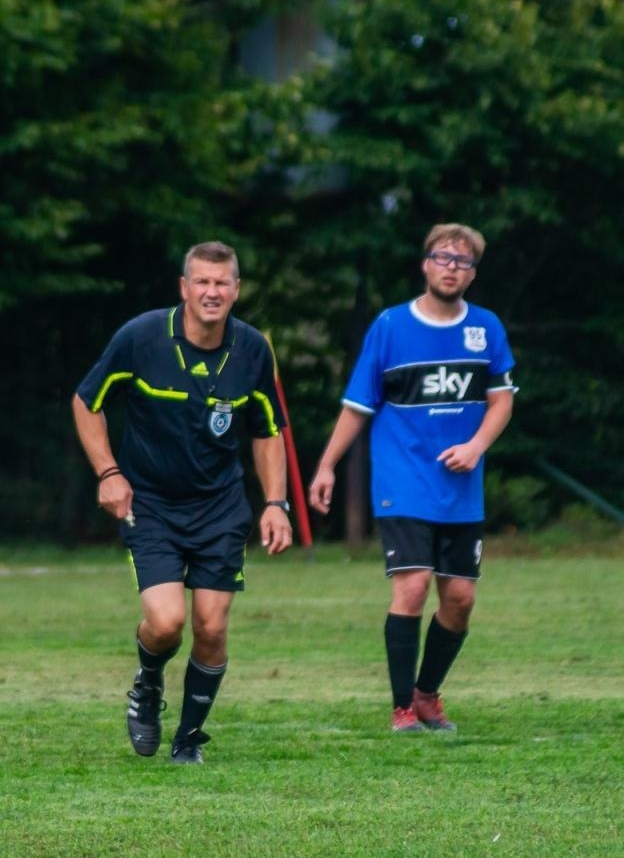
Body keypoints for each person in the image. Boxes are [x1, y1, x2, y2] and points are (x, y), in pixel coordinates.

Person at [72, 241, 292, 765]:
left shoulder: (252, 349)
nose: (212, 292)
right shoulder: (142, 337)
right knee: (167, 622)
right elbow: (86, 402)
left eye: (222, 283)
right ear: (184, 288)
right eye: (202, 282)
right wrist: (108, 473)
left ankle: (188, 740)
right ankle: (148, 683)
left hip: (220, 507)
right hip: (150, 504)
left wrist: (276, 503)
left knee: (211, 628)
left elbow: (267, 430)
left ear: (236, 290)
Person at [308, 223, 515, 733]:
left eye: (463, 262)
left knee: (460, 599)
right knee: (414, 585)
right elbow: (358, 405)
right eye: (443, 257)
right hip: (402, 480)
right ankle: (402, 707)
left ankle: (426, 695)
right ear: (425, 264)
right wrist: (327, 465)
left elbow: (501, 401)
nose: (451, 268)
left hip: (461, 488)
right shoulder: (390, 326)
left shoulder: (486, 328)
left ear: (472, 273)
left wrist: (475, 446)